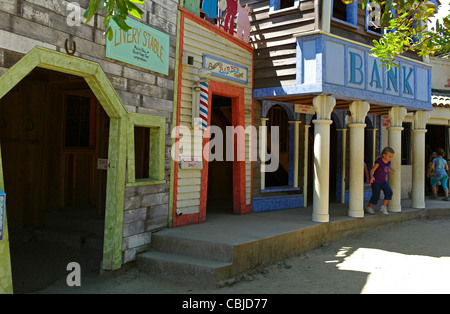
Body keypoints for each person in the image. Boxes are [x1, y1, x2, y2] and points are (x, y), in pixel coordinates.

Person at [365, 147, 395, 215]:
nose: (390, 158)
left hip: (383, 181)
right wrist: (372, 177)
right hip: (376, 181)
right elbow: (372, 170)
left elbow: (387, 168)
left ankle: (383, 207)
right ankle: (368, 208)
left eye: (391, 157)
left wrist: (391, 172)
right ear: (384, 155)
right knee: (375, 195)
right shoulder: (379, 161)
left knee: (389, 192)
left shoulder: (388, 162)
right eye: (389, 156)